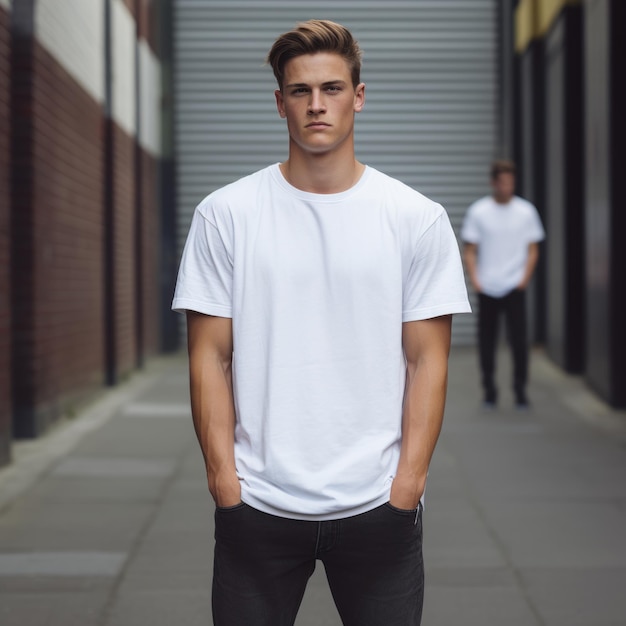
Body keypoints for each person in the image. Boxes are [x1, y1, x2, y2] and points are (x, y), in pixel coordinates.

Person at [172, 19, 470, 626]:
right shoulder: (225, 215)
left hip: (377, 506)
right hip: (257, 504)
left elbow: (428, 358)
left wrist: (406, 486)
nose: (316, 105)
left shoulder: (415, 218)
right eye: (301, 91)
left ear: (358, 96)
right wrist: (225, 484)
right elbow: (209, 355)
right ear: (279, 102)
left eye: (332, 89)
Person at [461, 159, 545, 409]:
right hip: (487, 286)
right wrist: (476, 281)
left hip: (514, 287)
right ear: (493, 183)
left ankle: (520, 391)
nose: (507, 187)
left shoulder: (526, 211)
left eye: (511, 182)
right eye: (503, 182)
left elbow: (533, 249)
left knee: (519, 342)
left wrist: (523, 279)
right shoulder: (479, 212)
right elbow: (470, 250)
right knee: (486, 342)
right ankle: (489, 391)